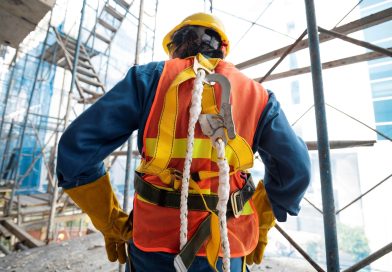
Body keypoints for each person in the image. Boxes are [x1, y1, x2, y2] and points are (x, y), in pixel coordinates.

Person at [56, 13, 311, 272]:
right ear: (222, 49)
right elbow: (296, 168)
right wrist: (263, 217)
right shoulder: (257, 95)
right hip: (228, 243)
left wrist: (110, 222)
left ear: (174, 49)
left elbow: (76, 149)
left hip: (153, 241)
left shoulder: (148, 80)